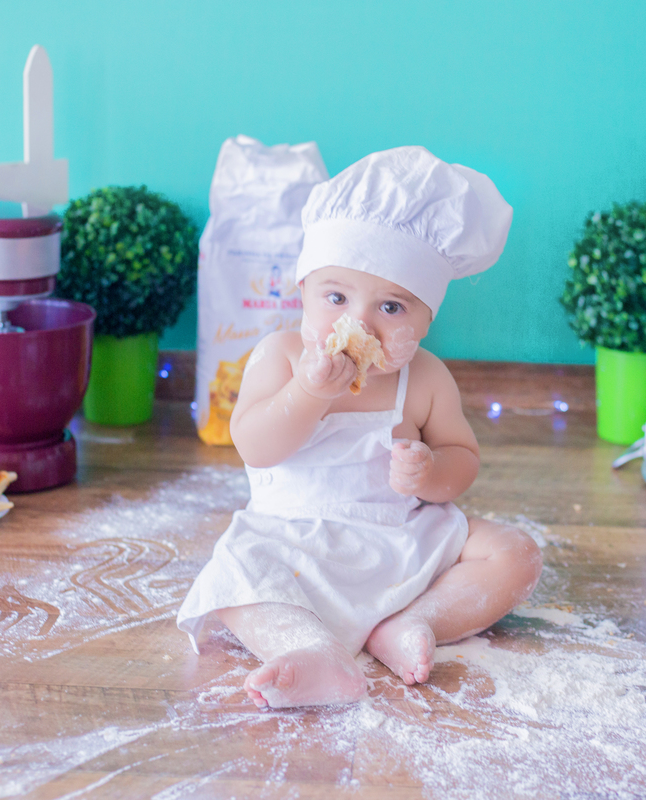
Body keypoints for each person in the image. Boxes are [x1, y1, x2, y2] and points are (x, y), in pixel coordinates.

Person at [177, 146, 543, 709]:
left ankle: (411, 622)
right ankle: (311, 648)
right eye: (336, 297)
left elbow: (461, 460)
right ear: (301, 292)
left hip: (399, 538)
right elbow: (254, 444)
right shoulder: (277, 357)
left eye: (393, 308)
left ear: (426, 319)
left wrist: (431, 471)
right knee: (233, 584)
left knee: (515, 553)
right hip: (291, 539)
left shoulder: (424, 378)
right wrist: (308, 392)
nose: (359, 322)